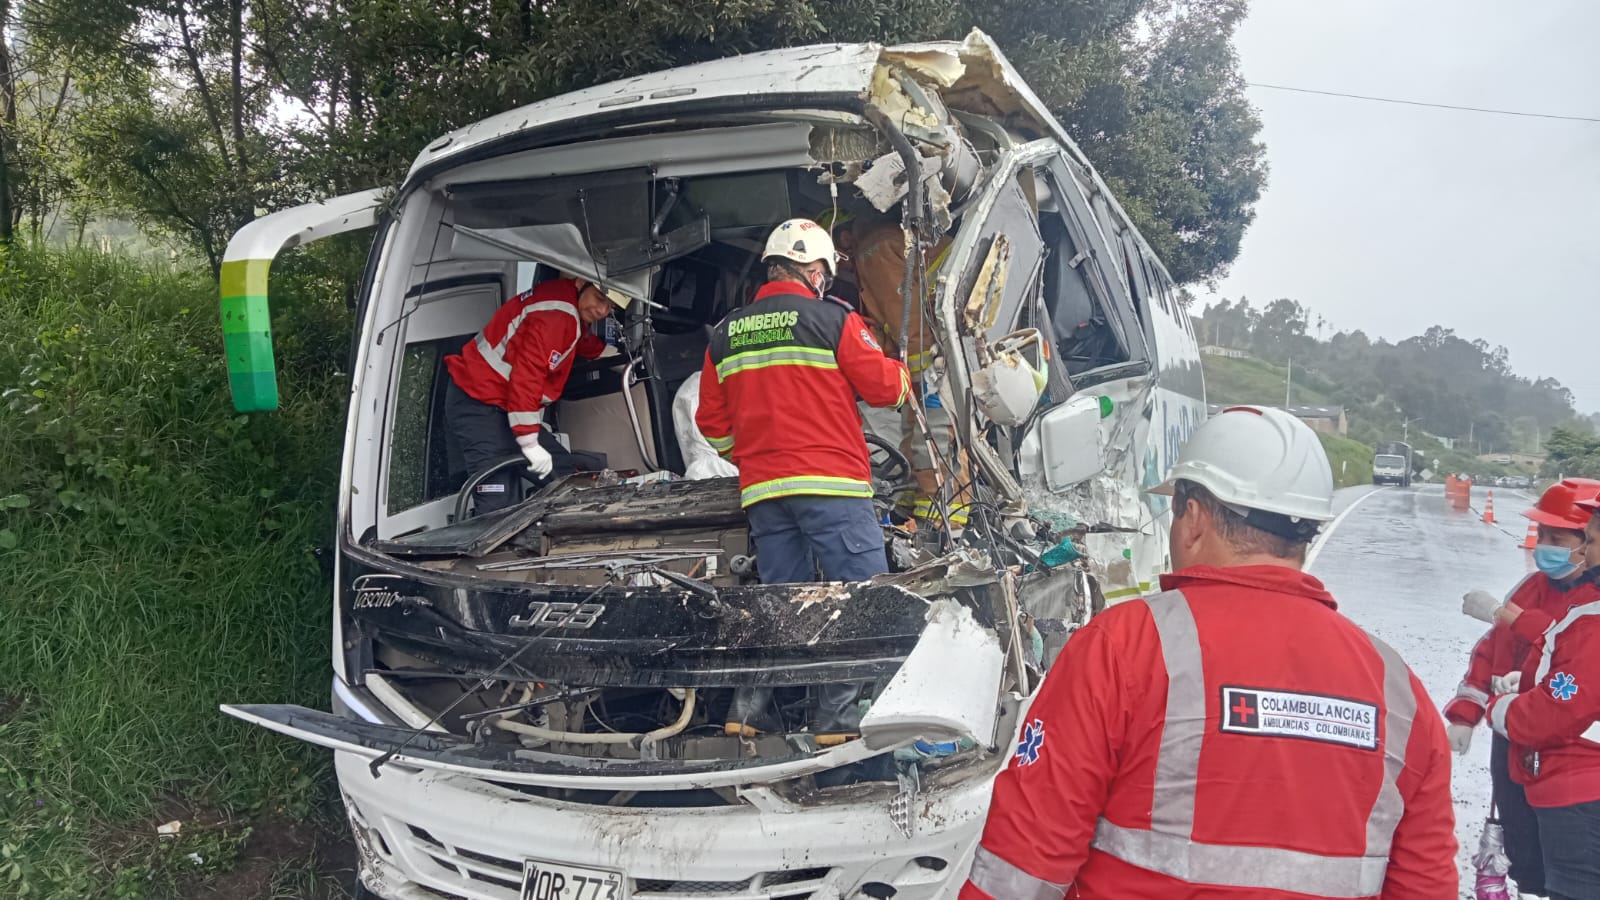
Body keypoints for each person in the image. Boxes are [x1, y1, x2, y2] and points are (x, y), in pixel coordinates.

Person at [961, 405, 1457, 900]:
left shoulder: (1123, 649)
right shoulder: (1400, 693)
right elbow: (1426, 886)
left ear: (1192, 517)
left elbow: (1021, 865)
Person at [697, 217, 910, 736]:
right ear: (814, 269)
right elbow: (884, 390)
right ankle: (835, 718)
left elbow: (710, 421)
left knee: (779, 599)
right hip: (832, 485)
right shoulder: (832, 319)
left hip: (767, 494)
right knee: (859, 597)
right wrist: (904, 373)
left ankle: (746, 714)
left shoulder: (726, 333)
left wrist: (749, 457)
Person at [1446, 478, 1600, 896]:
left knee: (1571, 870)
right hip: (1515, 743)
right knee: (1525, 854)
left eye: (1558, 538)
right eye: (1541, 535)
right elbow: (1492, 651)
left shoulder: (1590, 604)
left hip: (1566, 755)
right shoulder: (1531, 588)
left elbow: (1564, 649)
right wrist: (1466, 713)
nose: (1543, 546)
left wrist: (1509, 617)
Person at [443, 276, 629, 513]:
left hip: (503, 404)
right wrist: (529, 442)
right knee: (497, 503)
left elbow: (575, 340)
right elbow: (526, 379)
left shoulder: (568, 301)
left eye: (610, 307)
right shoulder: (555, 316)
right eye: (601, 298)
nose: (603, 310)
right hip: (477, 404)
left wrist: (611, 355)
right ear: (583, 282)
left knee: (563, 474)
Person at [850, 212, 970, 528]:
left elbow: (904, 316)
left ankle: (945, 520)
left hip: (933, 358)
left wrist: (917, 372)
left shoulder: (872, 250)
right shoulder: (888, 242)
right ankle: (910, 503)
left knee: (931, 435)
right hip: (939, 349)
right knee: (913, 431)